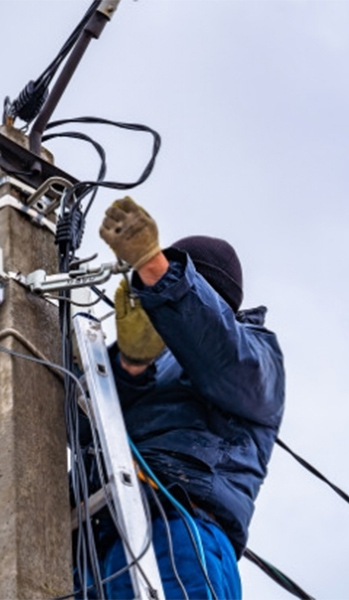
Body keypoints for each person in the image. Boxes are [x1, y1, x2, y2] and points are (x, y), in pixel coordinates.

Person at [82, 196, 285, 599]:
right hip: (96, 544)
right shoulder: (151, 357)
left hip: (178, 532)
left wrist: (155, 267)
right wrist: (131, 365)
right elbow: (86, 428)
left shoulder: (255, 356)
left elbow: (217, 346)